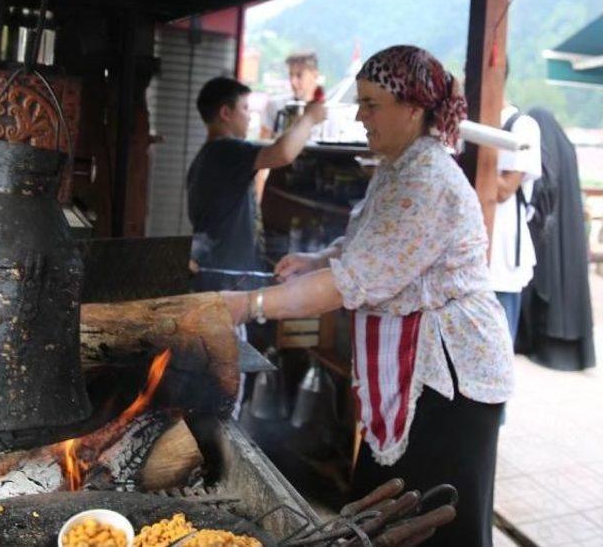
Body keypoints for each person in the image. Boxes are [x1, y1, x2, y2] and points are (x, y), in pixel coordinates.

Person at [221, 45, 514, 546]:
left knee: (435, 523)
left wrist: (250, 305)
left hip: (450, 381)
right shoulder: (400, 165)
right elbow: (365, 240)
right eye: (359, 102)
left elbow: (351, 281)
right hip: (420, 371)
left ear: (414, 109)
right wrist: (315, 260)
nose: (360, 115)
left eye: (372, 104)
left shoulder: (427, 180)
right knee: (384, 513)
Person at [187, 76, 326, 292]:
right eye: (244, 108)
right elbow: (283, 153)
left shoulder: (208, 156)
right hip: (227, 278)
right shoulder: (226, 151)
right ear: (225, 113)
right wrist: (309, 117)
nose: (250, 117)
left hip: (215, 271)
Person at [516, 107, 595, 371]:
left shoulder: (544, 142)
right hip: (568, 231)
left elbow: (544, 184)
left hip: (550, 230)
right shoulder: (568, 147)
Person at [489, 95, 542, 342]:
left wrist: (475, 146)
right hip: (473, 257)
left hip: (503, 255)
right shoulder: (476, 125)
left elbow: (504, 190)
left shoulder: (522, 126)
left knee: (498, 344)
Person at [263, 51, 321, 137]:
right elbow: (264, 142)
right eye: (291, 75)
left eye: (299, 75)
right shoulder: (275, 106)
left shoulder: (329, 112)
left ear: (315, 75)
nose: (293, 82)